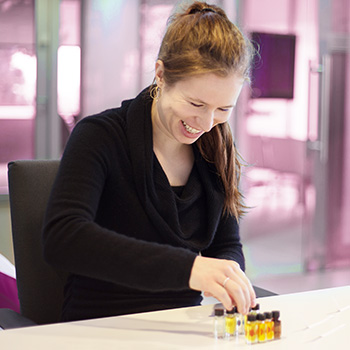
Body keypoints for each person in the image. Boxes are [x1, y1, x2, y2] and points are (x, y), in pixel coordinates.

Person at [42, 1, 256, 322]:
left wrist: (227, 275)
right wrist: (190, 269)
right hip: (100, 324)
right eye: (196, 103)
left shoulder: (216, 148)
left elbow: (226, 244)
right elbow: (64, 238)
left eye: (224, 109)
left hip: (180, 326)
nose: (207, 122)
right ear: (160, 74)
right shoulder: (100, 136)